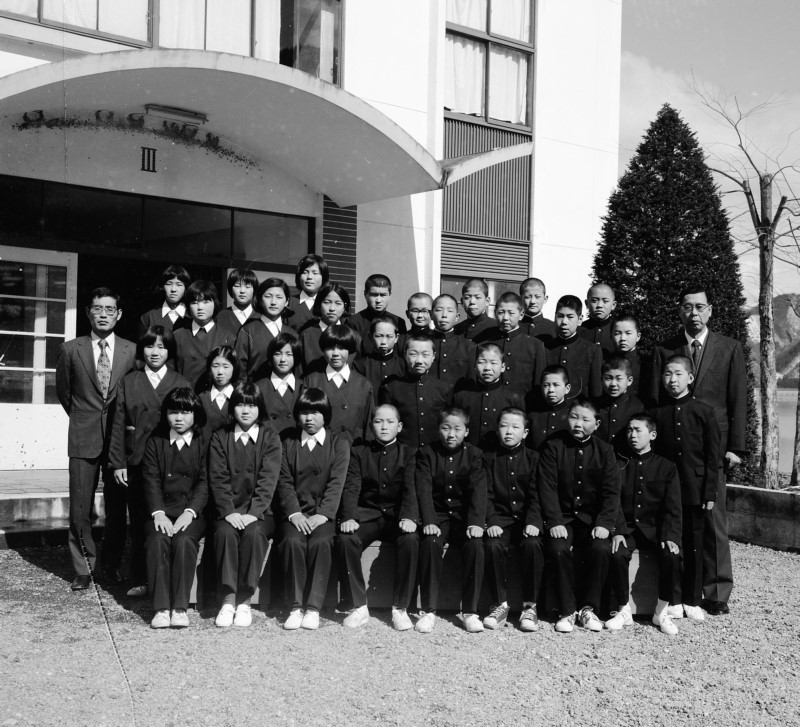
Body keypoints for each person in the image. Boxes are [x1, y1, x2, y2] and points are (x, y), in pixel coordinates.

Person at [650, 285, 746, 616]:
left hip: (712, 449)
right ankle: (674, 591)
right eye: (688, 306)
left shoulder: (729, 348)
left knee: (713, 520)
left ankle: (717, 591)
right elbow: (655, 400)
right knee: (675, 520)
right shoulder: (664, 350)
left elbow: (737, 399)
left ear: (710, 310)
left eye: (700, 307)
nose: (694, 313)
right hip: (672, 450)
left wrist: (735, 447)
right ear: (680, 310)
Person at [56, 287, 136, 590]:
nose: (103, 314)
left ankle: (111, 565)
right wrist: (84, 419)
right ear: (88, 312)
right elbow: (65, 393)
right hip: (83, 437)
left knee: (117, 510)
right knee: (80, 509)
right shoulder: (70, 349)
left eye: (109, 309)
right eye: (98, 308)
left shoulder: (131, 350)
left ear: (119, 314)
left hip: (118, 442)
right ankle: (83, 568)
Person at [108, 325, 189, 597]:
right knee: (141, 521)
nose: (155, 352)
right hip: (137, 460)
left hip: (172, 461)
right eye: (150, 346)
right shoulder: (129, 381)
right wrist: (118, 462)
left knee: (170, 520)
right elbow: (118, 423)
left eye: (162, 347)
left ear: (169, 351)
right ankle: (141, 579)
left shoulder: (180, 382)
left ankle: (171, 580)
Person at [537, 397, 620, 633]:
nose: (578, 424)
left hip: (591, 520)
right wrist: (554, 520)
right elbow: (547, 487)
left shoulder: (605, 450)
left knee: (601, 549)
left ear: (597, 424)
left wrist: (604, 523)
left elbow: (611, 491)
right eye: (574, 417)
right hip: (563, 518)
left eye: (585, 420)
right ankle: (567, 609)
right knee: (558, 548)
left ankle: (588, 608)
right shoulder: (553, 446)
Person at [335, 404, 419, 631]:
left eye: (390, 422)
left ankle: (400, 608)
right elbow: (352, 487)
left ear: (399, 426)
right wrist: (349, 516)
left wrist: (409, 517)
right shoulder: (359, 452)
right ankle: (359, 606)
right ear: (372, 426)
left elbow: (410, 489)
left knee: (410, 540)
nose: (384, 426)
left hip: (396, 517)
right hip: (368, 515)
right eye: (379, 421)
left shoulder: (409, 453)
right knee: (346, 539)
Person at [650, 355, 720, 623]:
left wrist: (709, 493)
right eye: (667, 374)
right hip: (666, 491)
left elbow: (712, 456)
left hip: (695, 489)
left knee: (694, 545)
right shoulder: (656, 413)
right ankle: (674, 599)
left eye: (678, 374)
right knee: (672, 544)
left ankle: (693, 600)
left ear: (690, 378)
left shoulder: (704, 412)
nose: (672, 380)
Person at [208, 382, 282, 628]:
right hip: (228, 510)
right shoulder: (221, 437)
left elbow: (268, 479)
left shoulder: (270, 437)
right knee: (225, 533)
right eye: (240, 405)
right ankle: (228, 600)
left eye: (251, 405)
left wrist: (254, 512)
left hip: (260, 511)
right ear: (232, 408)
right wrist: (228, 511)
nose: (246, 410)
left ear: (260, 408)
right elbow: (218, 478)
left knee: (254, 533)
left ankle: (244, 601)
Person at [275, 388, 349, 630]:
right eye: (304, 412)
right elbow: (284, 480)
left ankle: (314, 608)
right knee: (292, 541)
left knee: (321, 542)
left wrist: (324, 514)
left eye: (315, 413)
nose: (309, 418)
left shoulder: (338, 443)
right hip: (295, 513)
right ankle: (295, 606)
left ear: (325, 415)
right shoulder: (288, 442)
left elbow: (337, 482)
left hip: (322, 514)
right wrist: (294, 512)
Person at [607, 414, 682, 635]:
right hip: (627, 528)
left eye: (638, 430)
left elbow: (672, 507)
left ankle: (661, 611)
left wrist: (670, 536)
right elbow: (613, 501)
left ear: (652, 435)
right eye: (629, 430)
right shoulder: (617, 465)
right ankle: (623, 610)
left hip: (655, 530)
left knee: (672, 555)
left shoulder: (666, 467)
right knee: (617, 554)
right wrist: (618, 531)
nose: (632, 435)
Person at [415, 407, 487, 633]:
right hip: (437, 516)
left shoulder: (474, 454)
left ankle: (470, 612)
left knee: (475, 545)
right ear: (439, 429)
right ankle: (428, 610)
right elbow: (423, 488)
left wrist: (476, 522)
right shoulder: (427, 453)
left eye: (457, 429)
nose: (451, 434)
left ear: (467, 431)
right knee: (430, 543)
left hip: (463, 518)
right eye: (446, 428)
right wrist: (429, 520)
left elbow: (478, 490)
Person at [142, 387, 208, 629]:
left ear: (195, 414)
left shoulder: (203, 442)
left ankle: (180, 607)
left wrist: (190, 512)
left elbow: (205, 482)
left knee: (184, 541)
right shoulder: (155, 441)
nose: (179, 418)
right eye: (173, 412)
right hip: (160, 511)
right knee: (158, 540)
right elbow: (150, 479)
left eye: (185, 412)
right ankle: (160, 608)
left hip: (191, 513)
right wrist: (158, 512)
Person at [481, 408, 544, 632]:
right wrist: (491, 521)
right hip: (500, 520)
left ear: (525, 433)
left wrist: (534, 521)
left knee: (533, 545)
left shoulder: (534, 458)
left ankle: (530, 606)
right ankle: (500, 604)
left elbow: (537, 494)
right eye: (504, 426)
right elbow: (485, 494)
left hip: (526, 521)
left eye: (515, 427)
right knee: (493, 545)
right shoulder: (488, 459)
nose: (509, 431)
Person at [378, 332, 452, 449]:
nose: (419, 361)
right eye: (413, 354)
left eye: (425, 355)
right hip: (403, 453)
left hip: (435, 453)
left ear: (433, 356)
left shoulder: (444, 388)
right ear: (405, 355)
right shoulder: (391, 388)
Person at [304, 325, 374, 446]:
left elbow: (369, 425)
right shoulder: (311, 381)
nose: (335, 353)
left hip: (354, 448)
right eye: (330, 348)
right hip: (321, 448)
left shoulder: (364, 384)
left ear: (350, 350)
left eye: (341, 348)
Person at [453, 343, 524, 450]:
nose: (487, 368)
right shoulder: (461, 397)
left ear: (503, 367)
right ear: (475, 366)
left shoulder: (514, 399)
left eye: (493, 363)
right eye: (482, 362)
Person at [173, 281, 236, 392]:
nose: (200, 307)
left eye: (206, 302)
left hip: (213, 397)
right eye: (194, 302)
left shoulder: (228, 337)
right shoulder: (177, 336)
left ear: (215, 303)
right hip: (184, 397)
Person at [483, 292, 546, 398]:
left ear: (521, 315)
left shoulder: (535, 345)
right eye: (501, 312)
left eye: (511, 313)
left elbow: (538, 383)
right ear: (494, 313)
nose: (505, 318)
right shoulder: (485, 344)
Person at [235, 277, 297, 382]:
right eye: (268, 296)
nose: (273, 302)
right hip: (254, 389)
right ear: (260, 299)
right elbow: (239, 370)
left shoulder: (293, 334)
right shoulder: (247, 331)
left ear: (286, 301)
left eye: (279, 297)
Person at [541, 295, 603, 398]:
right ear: (555, 317)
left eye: (570, 317)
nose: (564, 322)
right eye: (560, 316)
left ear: (580, 319)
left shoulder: (592, 350)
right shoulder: (544, 348)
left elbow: (596, 390)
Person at [254, 332, 305, 440]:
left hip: (295, 444)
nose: (283, 359)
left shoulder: (303, 387)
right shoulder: (258, 388)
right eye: (278, 354)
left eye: (289, 354)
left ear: (296, 357)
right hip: (267, 444)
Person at [346, 273, 407, 356]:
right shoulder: (353, 322)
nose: (378, 300)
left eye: (383, 295)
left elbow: (401, 354)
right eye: (374, 295)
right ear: (365, 294)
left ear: (389, 295)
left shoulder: (399, 322)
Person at [594, 357, 644, 456]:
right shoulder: (594, 405)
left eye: (619, 378)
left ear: (629, 381)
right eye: (608, 378)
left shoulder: (637, 406)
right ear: (601, 379)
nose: (613, 384)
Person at [300, 282, 351, 374]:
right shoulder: (306, 335)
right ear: (319, 304)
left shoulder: (352, 336)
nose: (332, 308)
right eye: (327, 302)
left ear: (345, 306)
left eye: (338, 303)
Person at [353, 315, 406, 404]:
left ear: (396, 338)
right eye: (379, 336)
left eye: (389, 336)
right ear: (370, 337)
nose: (383, 342)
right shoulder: (360, 365)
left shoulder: (403, 365)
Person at [430, 294, 476, 387]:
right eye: (439, 310)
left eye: (450, 311)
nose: (444, 315)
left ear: (457, 317)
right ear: (431, 315)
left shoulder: (469, 346)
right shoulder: (422, 344)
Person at [198, 346, 241, 444]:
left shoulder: (240, 398)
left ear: (234, 368)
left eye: (226, 366)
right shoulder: (201, 399)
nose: (220, 372)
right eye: (215, 366)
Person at [526, 365, 572, 450]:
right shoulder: (533, 416)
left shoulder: (572, 416)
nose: (551, 390)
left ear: (567, 388)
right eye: (546, 385)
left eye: (556, 385)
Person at [137, 265, 190, 338]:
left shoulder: (193, 316)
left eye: (179, 285)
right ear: (162, 287)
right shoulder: (149, 317)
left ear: (186, 287)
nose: (173, 289)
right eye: (169, 284)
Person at [610, 314, 649, 401]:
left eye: (628, 333)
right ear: (611, 336)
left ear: (638, 336)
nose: (623, 338)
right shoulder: (605, 361)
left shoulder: (646, 363)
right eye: (617, 333)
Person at [287, 254, 328, 331]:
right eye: (305, 272)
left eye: (315, 273)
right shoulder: (289, 303)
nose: (309, 277)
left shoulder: (328, 305)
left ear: (324, 277)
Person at [216, 267, 259, 332]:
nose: (242, 291)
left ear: (254, 290)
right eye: (237, 286)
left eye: (247, 286)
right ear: (230, 289)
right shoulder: (221, 316)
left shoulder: (261, 317)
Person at [579, 283, 617, 355]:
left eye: (605, 301)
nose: (599, 305)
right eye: (594, 301)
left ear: (613, 305)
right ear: (587, 303)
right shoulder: (579, 330)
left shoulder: (618, 330)